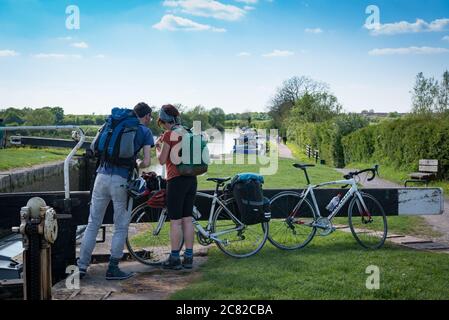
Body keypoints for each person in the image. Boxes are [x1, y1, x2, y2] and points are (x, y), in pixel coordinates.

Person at [77, 102, 155, 280]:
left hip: (101, 176)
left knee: (93, 223)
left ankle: (81, 267)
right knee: (120, 226)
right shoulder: (144, 131)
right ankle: (113, 269)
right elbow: (147, 162)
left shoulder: (114, 124)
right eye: (150, 116)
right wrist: (137, 164)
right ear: (147, 115)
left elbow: (96, 147)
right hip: (121, 180)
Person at [156, 104, 197, 270]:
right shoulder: (187, 132)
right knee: (188, 219)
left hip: (175, 180)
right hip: (191, 179)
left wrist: (158, 147)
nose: (163, 126)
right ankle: (188, 257)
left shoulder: (169, 135)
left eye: (162, 122)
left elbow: (161, 160)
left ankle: (174, 258)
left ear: (165, 120)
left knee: (175, 222)